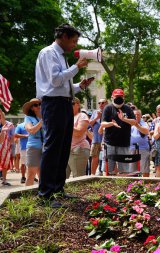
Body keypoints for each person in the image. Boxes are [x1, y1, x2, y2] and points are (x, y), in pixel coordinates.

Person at [35, 23, 93, 207]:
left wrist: (80, 86)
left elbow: (63, 85)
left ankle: (57, 189)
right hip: (53, 105)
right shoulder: (48, 53)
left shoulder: (61, 56)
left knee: (62, 148)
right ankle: (45, 194)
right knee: (52, 148)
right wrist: (76, 67)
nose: (75, 45)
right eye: (74, 40)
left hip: (63, 103)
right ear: (64, 36)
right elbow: (56, 79)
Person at [101, 88, 136, 175]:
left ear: (124, 97)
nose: (119, 98)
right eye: (117, 96)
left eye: (120, 96)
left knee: (124, 170)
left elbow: (134, 122)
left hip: (124, 143)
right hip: (110, 143)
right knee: (108, 169)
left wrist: (124, 119)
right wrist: (111, 123)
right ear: (112, 97)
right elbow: (103, 123)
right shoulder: (108, 108)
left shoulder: (128, 109)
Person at [66, 97, 90, 178]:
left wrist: (66, 124)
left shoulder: (82, 116)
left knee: (78, 179)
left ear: (78, 105)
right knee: (61, 178)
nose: (69, 105)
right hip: (66, 151)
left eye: (72, 103)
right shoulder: (66, 117)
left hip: (78, 150)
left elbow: (79, 133)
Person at [22, 99, 43, 186]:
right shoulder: (28, 118)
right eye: (35, 105)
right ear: (32, 108)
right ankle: (27, 197)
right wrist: (42, 121)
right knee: (31, 174)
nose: (38, 106)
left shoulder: (48, 116)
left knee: (44, 175)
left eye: (40, 104)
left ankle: (44, 196)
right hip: (33, 147)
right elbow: (31, 130)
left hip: (46, 147)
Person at [129, 109, 150, 177]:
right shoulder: (129, 123)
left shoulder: (144, 123)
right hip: (131, 149)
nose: (136, 116)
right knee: (132, 170)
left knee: (144, 169)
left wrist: (136, 125)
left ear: (141, 116)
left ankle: (146, 184)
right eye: (135, 115)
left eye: (138, 115)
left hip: (143, 149)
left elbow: (146, 131)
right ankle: (133, 186)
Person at [89, 98, 108, 175]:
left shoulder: (110, 112)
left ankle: (107, 176)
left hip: (106, 140)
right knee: (94, 157)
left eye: (103, 102)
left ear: (107, 103)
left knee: (107, 158)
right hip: (96, 139)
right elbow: (90, 124)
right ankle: (92, 176)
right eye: (99, 103)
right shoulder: (95, 112)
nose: (101, 104)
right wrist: (97, 117)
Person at [0, 109, 15, 186]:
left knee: (5, 164)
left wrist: (11, 146)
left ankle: (4, 180)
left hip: (5, 146)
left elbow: (12, 136)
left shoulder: (8, 125)